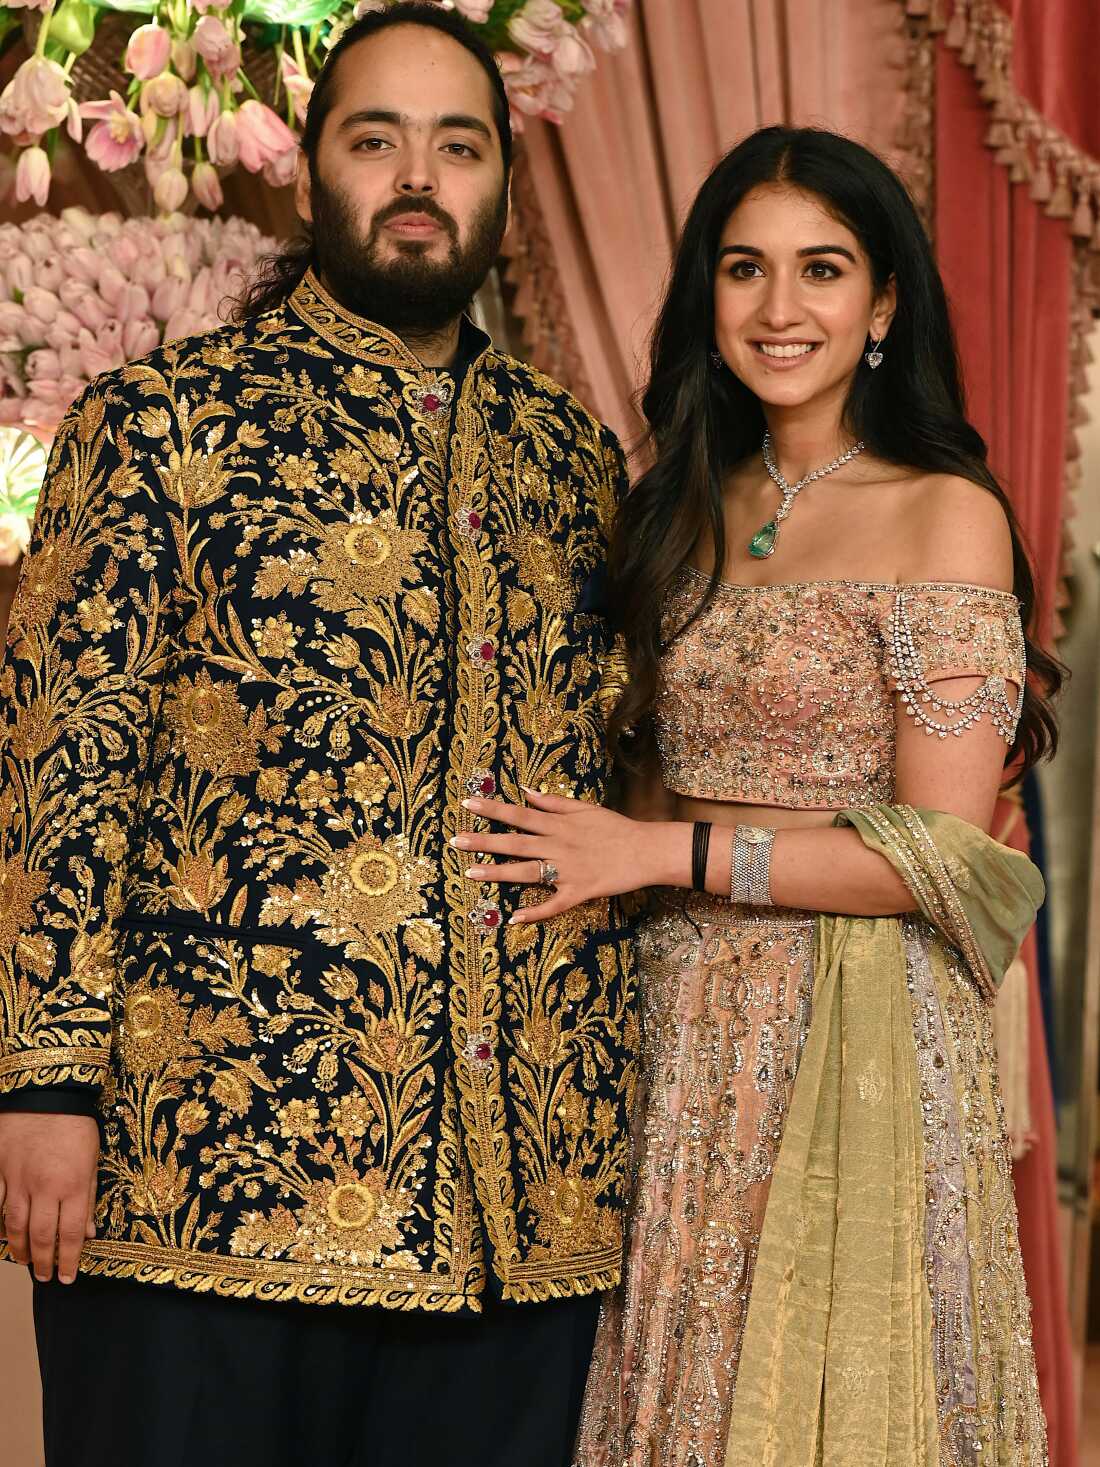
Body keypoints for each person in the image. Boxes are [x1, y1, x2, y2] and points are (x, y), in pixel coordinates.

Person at [0, 7, 638, 1465]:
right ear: (310, 175)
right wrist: (41, 1081)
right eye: (377, 139)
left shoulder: (571, 459)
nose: (419, 174)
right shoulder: (163, 421)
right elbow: (59, 759)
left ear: (500, 189)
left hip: (516, 1199)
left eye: (458, 145)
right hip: (198, 1173)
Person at [453, 127, 1058, 1466]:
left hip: (861, 1034)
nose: (781, 311)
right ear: (705, 295)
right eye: (745, 270)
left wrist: (666, 851)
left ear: (884, 301)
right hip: (679, 1026)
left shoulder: (942, 511)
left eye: (823, 271)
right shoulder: (679, 503)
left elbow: (942, 859)